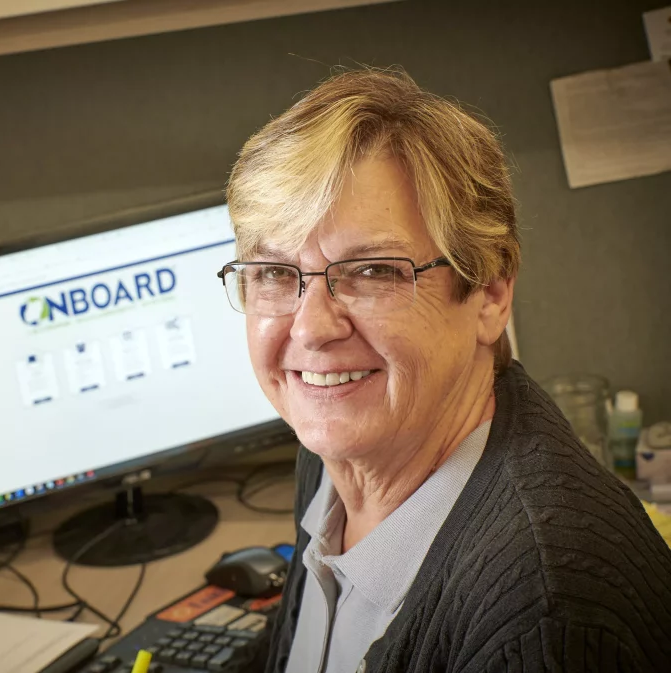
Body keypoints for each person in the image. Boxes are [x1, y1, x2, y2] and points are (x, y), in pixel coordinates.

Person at [218, 68, 671, 673]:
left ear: (489, 295)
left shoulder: (546, 617)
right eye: (273, 273)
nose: (310, 328)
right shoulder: (339, 448)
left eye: (373, 271)